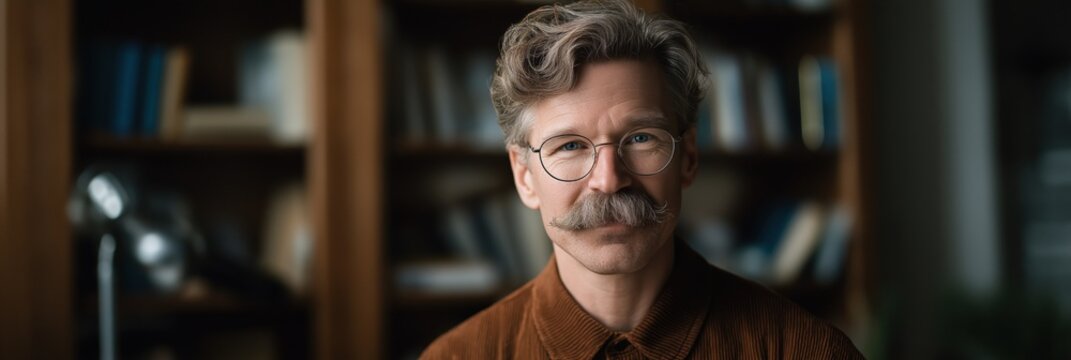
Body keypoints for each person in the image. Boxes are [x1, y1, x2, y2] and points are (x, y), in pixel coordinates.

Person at [422, 0, 864, 358]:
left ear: (688, 157)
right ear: (524, 176)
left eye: (640, 138)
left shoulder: (807, 351)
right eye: (570, 146)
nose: (609, 180)